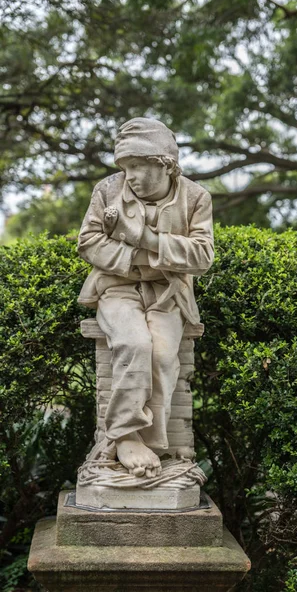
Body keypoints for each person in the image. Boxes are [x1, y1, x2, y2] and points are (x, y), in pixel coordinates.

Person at [77, 118, 214, 479]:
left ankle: (152, 443)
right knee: (133, 342)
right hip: (117, 287)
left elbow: (202, 256)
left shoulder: (196, 197)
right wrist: (143, 260)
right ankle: (124, 434)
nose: (130, 176)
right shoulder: (107, 191)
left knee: (164, 353)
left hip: (169, 293)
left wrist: (142, 238)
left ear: (164, 164)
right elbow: (88, 242)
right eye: (125, 167)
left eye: (137, 166)